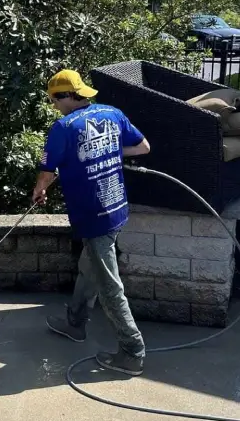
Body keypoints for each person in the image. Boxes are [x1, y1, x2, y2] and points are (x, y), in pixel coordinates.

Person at [32, 69, 151, 376]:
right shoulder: (112, 113)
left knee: (110, 288)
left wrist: (39, 189)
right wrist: (108, 151)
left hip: (92, 213)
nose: (54, 107)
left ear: (65, 97)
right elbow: (143, 147)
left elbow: (47, 171)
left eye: (54, 100)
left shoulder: (63, 127)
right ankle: (75, 324)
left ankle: (132, 351)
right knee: (90, 267)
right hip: (117, 207)